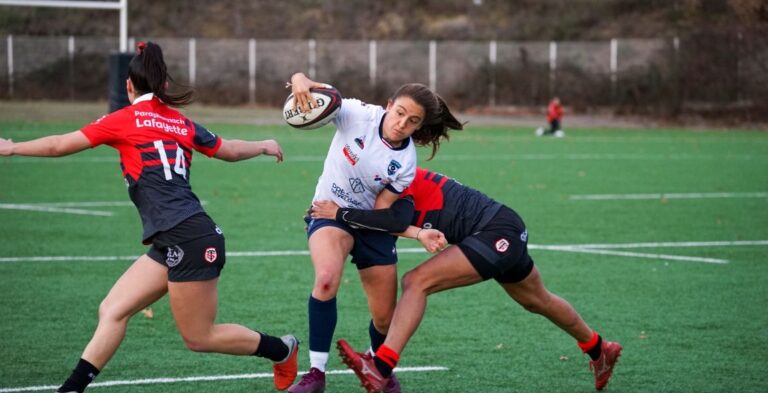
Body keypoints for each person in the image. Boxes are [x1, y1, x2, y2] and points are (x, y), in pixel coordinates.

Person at [0, 42, 299, 392]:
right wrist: (262, 144)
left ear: (128, 86)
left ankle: (282, 349)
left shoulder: (123, 120)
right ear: (165, 87)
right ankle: (70, 389)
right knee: (113, 308)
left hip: (188, 237)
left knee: (199, 338)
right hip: (176, 236)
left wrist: (11, 147)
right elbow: (228, 150)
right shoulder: (180, 121)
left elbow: (58, 145)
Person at [309, 167, 623, 392]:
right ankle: (599, 348)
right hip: (502, 226)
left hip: (495, 232)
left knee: (416, 282)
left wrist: (338, 214)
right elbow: (386, 222)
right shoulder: (382, 178)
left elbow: (395, 220)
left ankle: (382, 366)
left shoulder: (394, 179)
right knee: (537, 300)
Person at [285, 73, 463, 393]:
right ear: (388, 105)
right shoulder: (357, 113)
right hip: (328, 214)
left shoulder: (405, 161)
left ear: (419, 127)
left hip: (369, 224)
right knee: (326, 278)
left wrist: (417, 234)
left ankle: (374, 364)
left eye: (412, 121)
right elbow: (315, 86)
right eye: (399, 113)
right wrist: (300, 82)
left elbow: (382, 216)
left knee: (385, 319)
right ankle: (315, 372)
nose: (401, 124)